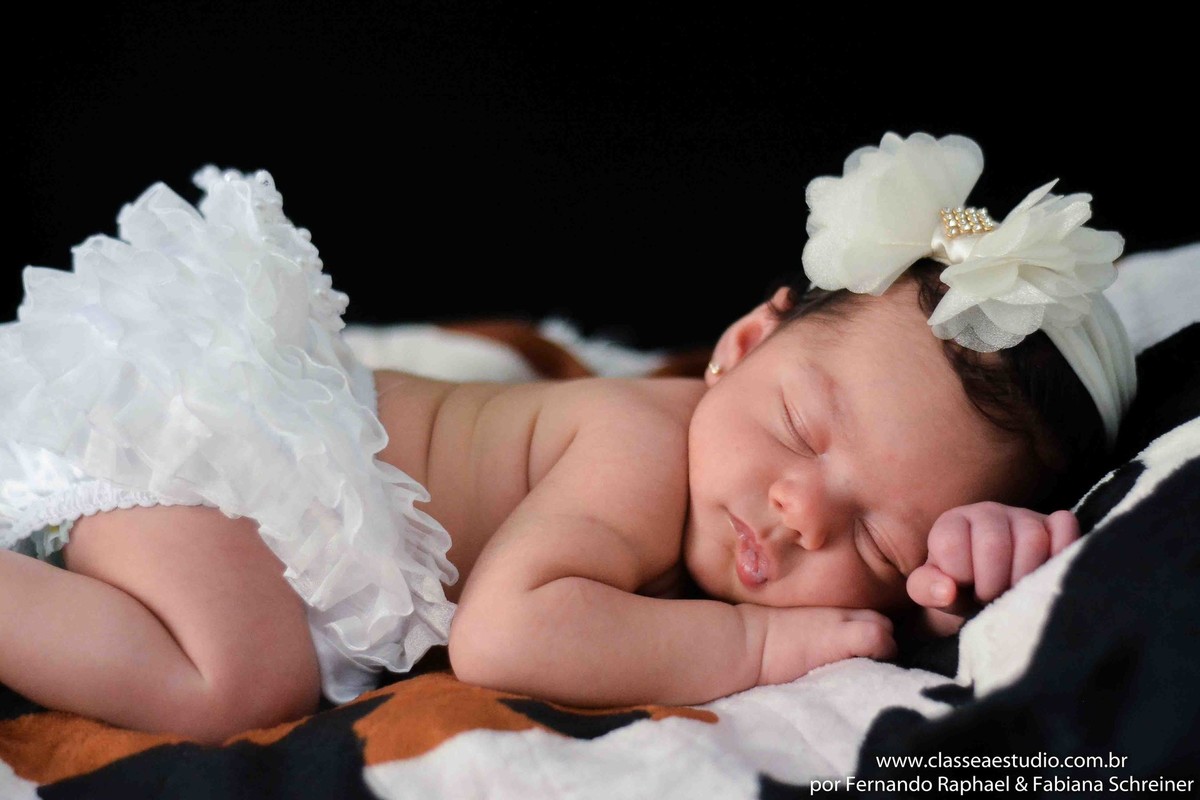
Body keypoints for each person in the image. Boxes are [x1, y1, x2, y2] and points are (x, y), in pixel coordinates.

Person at [0, 131, 1136, 745]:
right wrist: (757, 649)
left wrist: (951, 581)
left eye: (882, 541)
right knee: (240, 684)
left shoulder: (744, 510)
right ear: (742, 343)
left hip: (238, 515)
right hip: (221, 464)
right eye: (799, 427)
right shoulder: (643, 445)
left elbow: (906, 600)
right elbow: (506, 636)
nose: (802, 511)